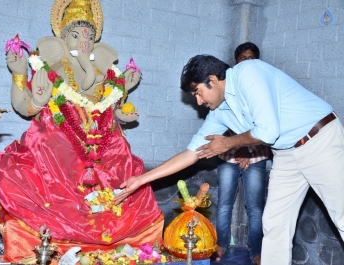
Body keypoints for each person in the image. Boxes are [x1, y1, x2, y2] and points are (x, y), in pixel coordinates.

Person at [114, 54, 344, 265]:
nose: (199, 102)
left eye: (197, 92)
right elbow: (191, 154)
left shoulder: (249, 72)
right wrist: (142, 179)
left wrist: (226, 144)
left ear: (212, 80)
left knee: (341, 213)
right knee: (275, 224)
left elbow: (267, 132)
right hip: (285, 153)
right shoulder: (220, 112)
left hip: (319, 138)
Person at [0, 0, 163, 262]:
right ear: (60, 40)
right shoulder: (51, 68)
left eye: (90, 36)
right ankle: (49, 240)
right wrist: (20, 76)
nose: (84, 41)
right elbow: (26, 108)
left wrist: (122, 101)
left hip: (102, 144)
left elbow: (109, 110)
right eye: (76, 35)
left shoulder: (106, 75)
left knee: (122, 157)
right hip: (58, 140)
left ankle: (122, 241)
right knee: (52, 153)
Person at [214, 42, 269, 265]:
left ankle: (256, 251)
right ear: (236, 60)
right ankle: (220, 246)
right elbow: (223, 120)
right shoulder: (229, 83)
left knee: (255, 207)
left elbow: (262, 124)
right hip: (229, 154)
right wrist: (239, 149)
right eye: (242, 57)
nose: (246, 61)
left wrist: (247, 151)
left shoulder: (260, 84)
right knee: (224, 203)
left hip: (256, 156)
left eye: (251, 57)